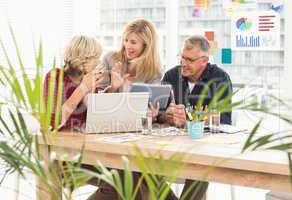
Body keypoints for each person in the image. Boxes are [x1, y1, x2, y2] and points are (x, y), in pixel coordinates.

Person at [88, 19, 177, 200]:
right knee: (136, 172)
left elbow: (155, 113)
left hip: (135, 137)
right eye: (126, 40)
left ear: (146, 44)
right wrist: (113, 87)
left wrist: (153, 115)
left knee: (137, 171)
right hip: (107, 133)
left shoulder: (154, 71)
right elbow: (96, 104)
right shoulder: (111, 59)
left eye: (133, 42)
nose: (127, 46)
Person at [161, 35, 233, 200]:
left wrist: (189, 120)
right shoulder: (171, 75)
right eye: (182, 57)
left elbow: (224, 120)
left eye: (190, 60)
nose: (183, 63)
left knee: (200, 168)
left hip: (204, 148)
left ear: (204, 60)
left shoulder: (220, 78)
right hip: (171, 146)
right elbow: (160, 114)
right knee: (142, 168)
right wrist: (168, 116)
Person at [43, 35, 104, 131]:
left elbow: (98, 122)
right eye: (96, 57)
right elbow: (55, 122)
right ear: (83, 58)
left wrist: (112, 88)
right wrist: (83, 88)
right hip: (61, 141)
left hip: (85, 140)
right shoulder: (55, 77)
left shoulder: (89, 78)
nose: (98, 62)